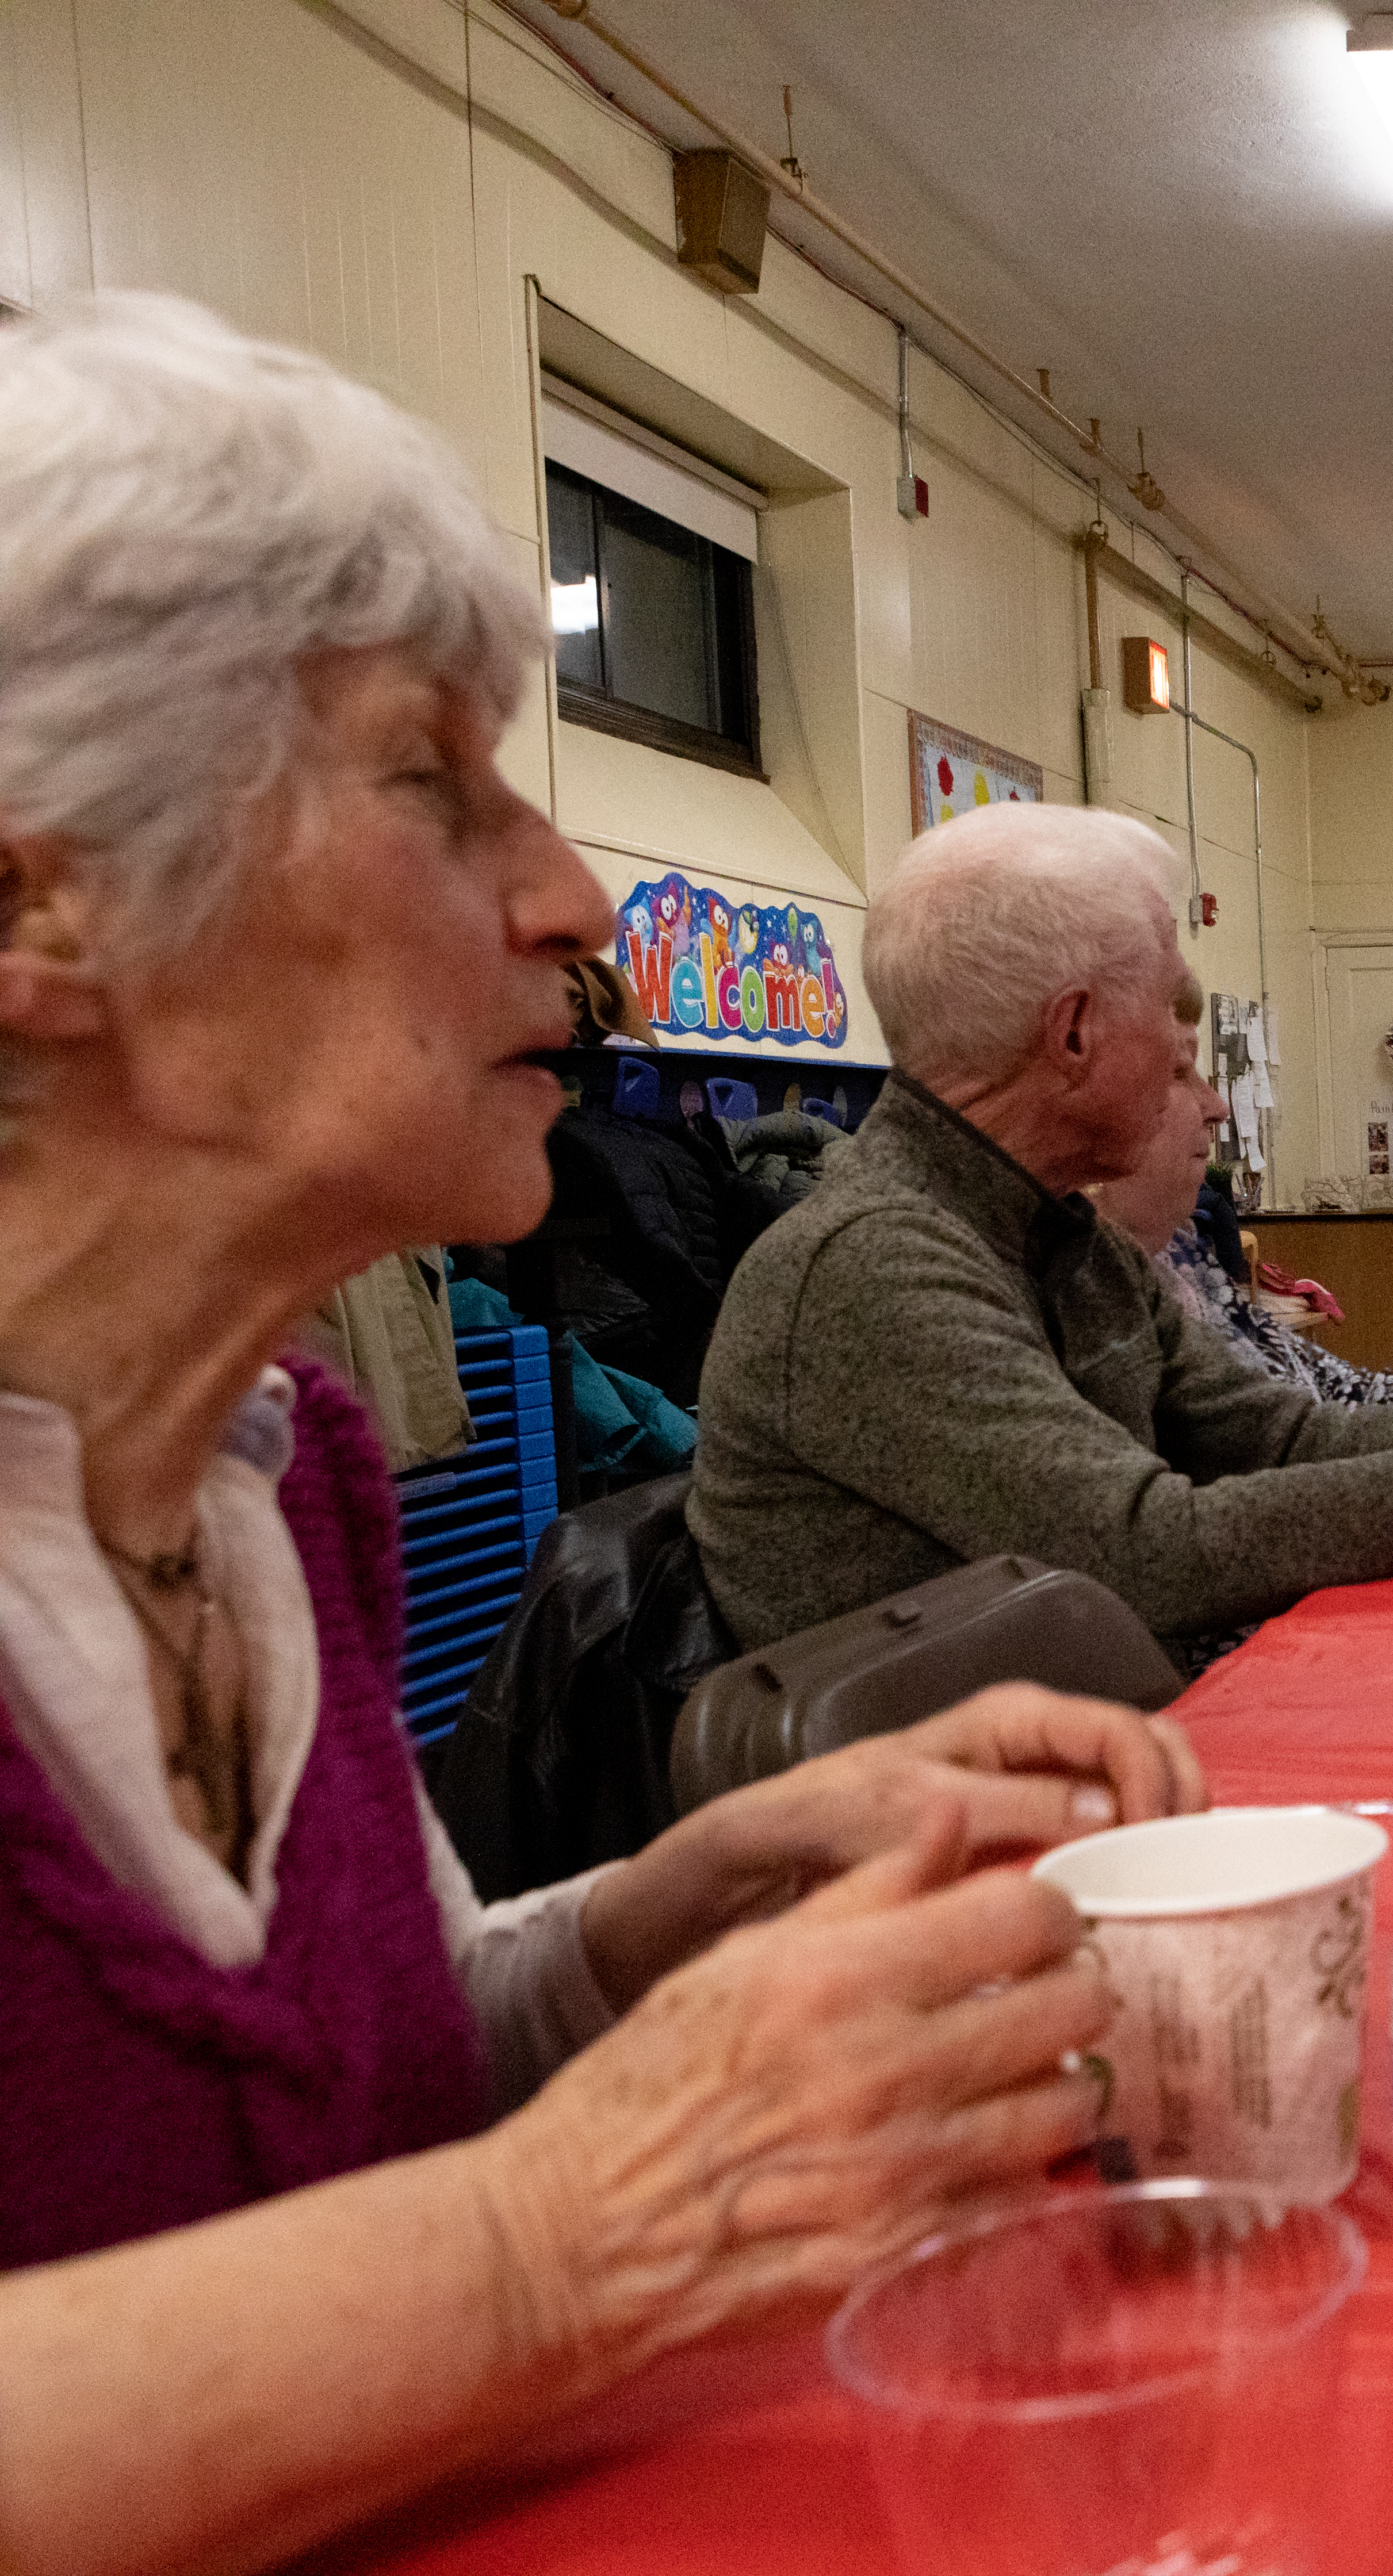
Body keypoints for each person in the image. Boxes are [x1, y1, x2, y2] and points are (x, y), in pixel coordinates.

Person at [0, 295, 1204, 2574]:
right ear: (35, 894)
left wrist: (654, 1920)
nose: (576, 901)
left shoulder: (275, 1484)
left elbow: (387, 2045)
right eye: (435, 789)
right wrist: (567, 2238)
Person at [692, 802, 1393, 1655]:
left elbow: (1288, 1440)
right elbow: (1142, 1555)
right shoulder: (875, 1264)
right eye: (1171, 1013)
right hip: (955, 1854)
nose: (1196, 1080)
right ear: (1072, 1032)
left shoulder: (1058, 1237)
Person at [1093, 1051, 1393, 1406]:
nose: (1218, 1104)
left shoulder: (1184, 1253)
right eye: (1177, 1072)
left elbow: (1330, 1389)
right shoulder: (1088, 1295)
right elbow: (1286, 1448)